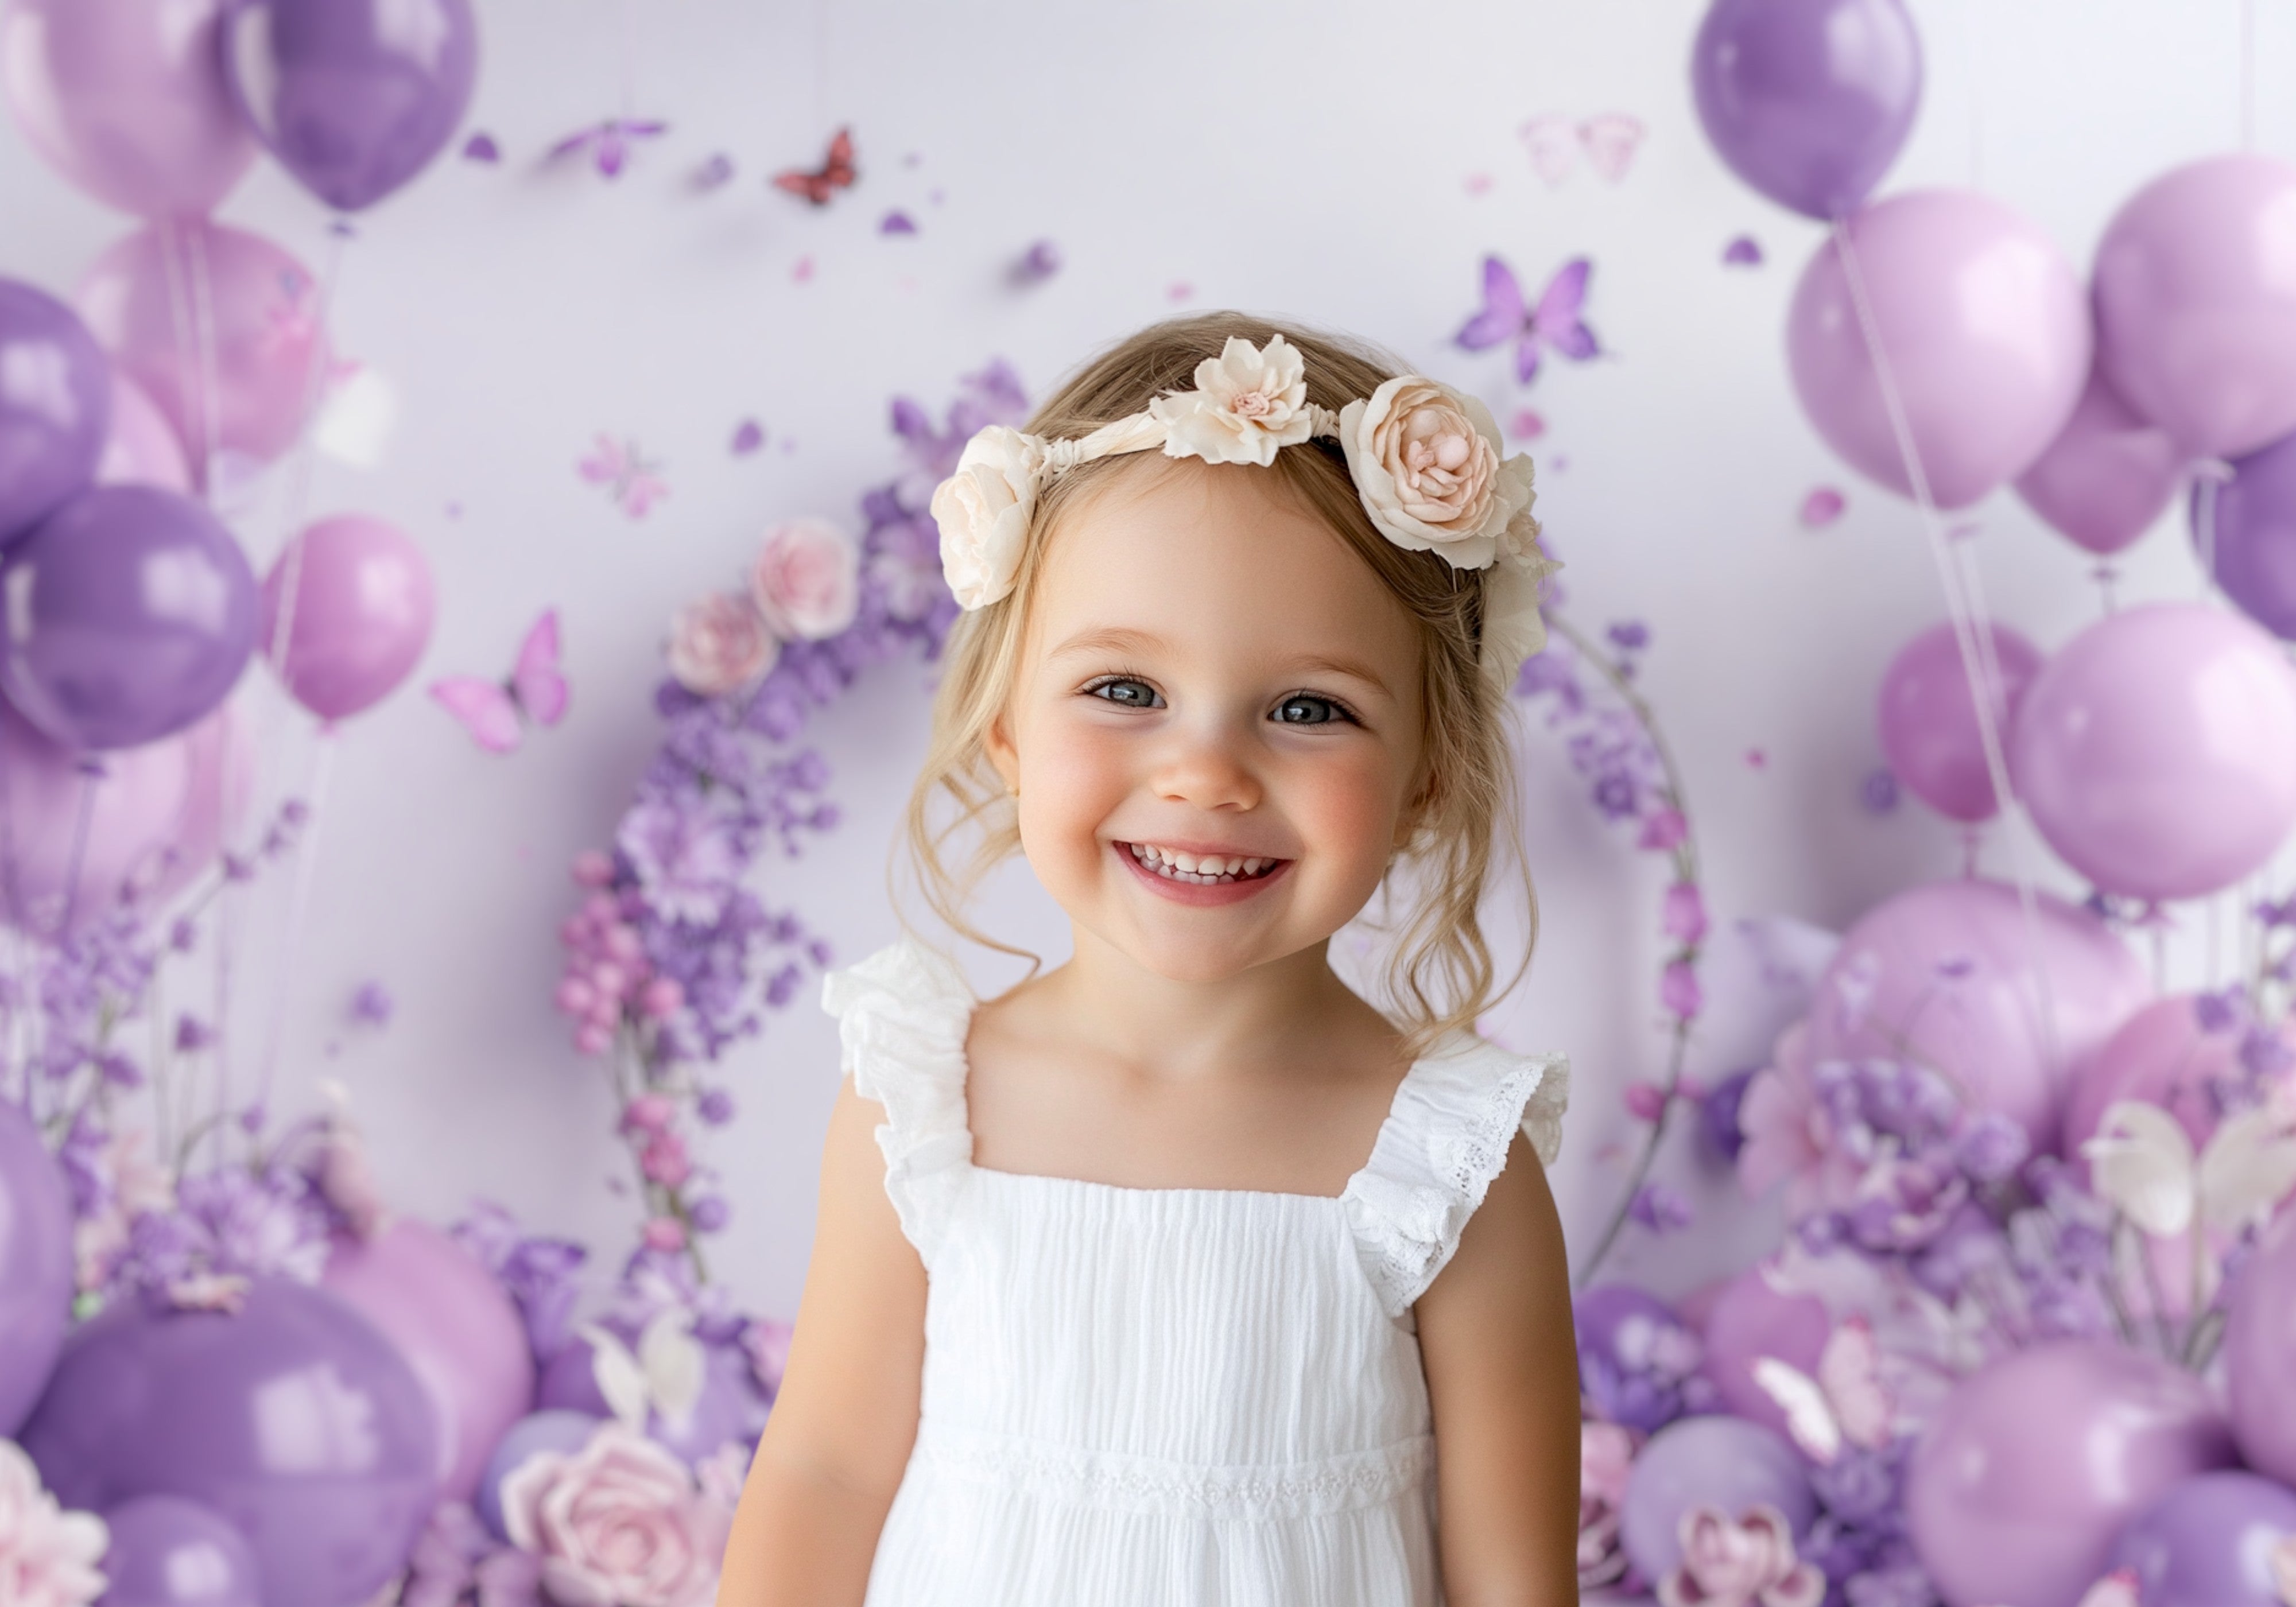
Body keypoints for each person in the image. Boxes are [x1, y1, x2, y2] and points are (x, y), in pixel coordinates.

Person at [715, 314, 1578, 1606]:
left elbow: (1512, 1586)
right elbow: (827, 1472)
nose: (1204, 774)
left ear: (1423, 781)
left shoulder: (1453, 1166)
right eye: (1123, 687)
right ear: (1005, 728)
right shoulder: (921, 1103)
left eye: (1307, 709)